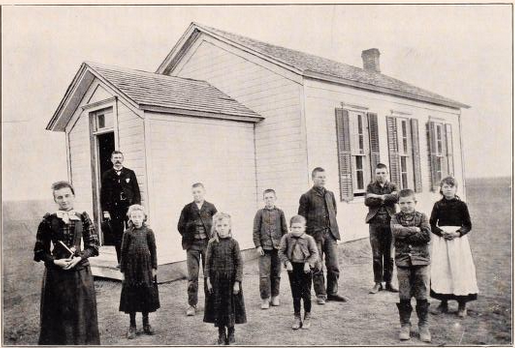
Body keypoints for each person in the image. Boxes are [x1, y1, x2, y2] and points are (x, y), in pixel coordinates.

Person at [33, 181, 100, 345]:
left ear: (74, 196)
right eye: (60, 197)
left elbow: (93, 246)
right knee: (58, 317)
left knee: (81, 315)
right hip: (56, 276)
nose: (64, 200)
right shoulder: (48, 220)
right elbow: (39, 251)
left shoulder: (83, 217)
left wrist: (80, 257)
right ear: (55, 199)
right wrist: (56, 262)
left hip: (80, 275)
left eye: (67, 196)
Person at [429, 176, 478, 317]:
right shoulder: (438, 205)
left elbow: (468, 225)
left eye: (451, 187)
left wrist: (458, 233)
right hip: (442, 242)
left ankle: (462, 305)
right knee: (443, 269)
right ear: (441, 189)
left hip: (458, 242)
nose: (448, 189)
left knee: (459, 269)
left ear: (456, 189)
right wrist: (441, 232)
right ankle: (443, 303)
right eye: (445, 187)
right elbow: (432, 224)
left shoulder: (461, 205)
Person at [298, 167, 347, 305]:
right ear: (313, 178)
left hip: (330, 234)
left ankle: (333, 292)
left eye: (324, 177)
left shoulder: (330, 194)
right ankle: (321, 294)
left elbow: (334, 212)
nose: (322, 179)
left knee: (333, 265)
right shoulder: (306, 196)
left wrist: (329, 229)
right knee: (317, 266)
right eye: (319, 177)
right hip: (314, 236)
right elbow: (301, 219)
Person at [390, 189, 432, 342]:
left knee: (421, 292)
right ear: (398, 204)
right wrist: (414, 230)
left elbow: (427, 235)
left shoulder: (422, 217)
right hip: (402, 261)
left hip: (420, 260)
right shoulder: (395, 217)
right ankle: (405, 325)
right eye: (402, 203)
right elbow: (395, 233)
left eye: (409, 203)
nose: (406, 206)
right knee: (404, 293)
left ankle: (423, 325)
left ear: (415, 203)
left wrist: (405, 232)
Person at [204, 212, 247, 345]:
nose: (222, 228)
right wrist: (208, 280)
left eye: (225, 225)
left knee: (230, 308)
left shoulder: (234, 243)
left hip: (230, 282)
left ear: (230, 227)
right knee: (219, 308)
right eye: (219, 225)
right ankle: (221, 334)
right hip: (216, 282)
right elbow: (207, 263)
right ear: (215, 227)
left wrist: (237, 282)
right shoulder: (212, 243)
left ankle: (231, 333)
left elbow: (239, 263)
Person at [119, 204, 160, 339]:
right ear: (130, 218)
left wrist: (154, 267)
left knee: (145, 294)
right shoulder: (127, 233)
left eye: (139, 216)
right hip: (131, 269)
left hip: (145, 268)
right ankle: (132, 325)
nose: (136, 219)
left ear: (144, 218)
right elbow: (123, 252)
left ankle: (146, 323)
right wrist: (123, 269)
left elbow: (153, 250)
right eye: (134, 217)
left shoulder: (149, 232)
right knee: (132, 295)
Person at [177, 183, 218, 316]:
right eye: (194, 192)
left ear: (204, 192)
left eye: (199, 192)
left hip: (207, 245)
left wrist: (212, 238)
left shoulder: (211, 207)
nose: (197, 195)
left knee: (209, 274)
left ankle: (210, 304)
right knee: (192, 276)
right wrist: (189, 236)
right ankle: (192, 304)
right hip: (192, 246)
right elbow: (180, 226)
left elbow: (217, 223)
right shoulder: (187, 208)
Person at [100, 150, 141, 265]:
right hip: (114, 209)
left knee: (133, 232)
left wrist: (136, 208)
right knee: (118, 236)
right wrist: (106, 211)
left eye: (119, 157)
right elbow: (104, 194)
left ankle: (134, 260)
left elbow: (136, 192)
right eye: (115, 158)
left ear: (122, 159)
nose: (117, 160)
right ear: (111, 160)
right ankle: (121, 261)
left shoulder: (130, 173)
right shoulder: (107, 175)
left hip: (129, 209)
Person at [279, 215, 319, 330]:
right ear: (290, 227)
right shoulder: (286, 238)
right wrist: (287, 262)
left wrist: (308, 263)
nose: (296, 230)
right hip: (293, 268)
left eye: (299, 227)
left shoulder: (309, 239)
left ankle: (307, 315)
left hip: (305, 268)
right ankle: (297, 316)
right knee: (295, 294)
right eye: (294, 227)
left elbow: (315, 253)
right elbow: (281, 252)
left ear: (304, 228)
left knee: (306, 294)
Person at [364, 163, 399, 294]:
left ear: (387, 173)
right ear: (375, 174)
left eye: (383, 173)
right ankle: (378, 283)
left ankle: (389, 282)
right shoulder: (370, 186)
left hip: (390, 224)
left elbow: (396, 197)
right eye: (378, 173)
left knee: (389, 255)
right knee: (377, 255)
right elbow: (368, 201)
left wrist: (378, 197)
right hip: (375, 224)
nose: (381, 175)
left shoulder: (393, 186)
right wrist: (385, 198)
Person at [253, 188, 288, 309]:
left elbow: (285, 231)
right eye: (266, 198)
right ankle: (264, 298)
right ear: (263, 199)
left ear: (275, 198)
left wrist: (283, 247)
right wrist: (258, 246)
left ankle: (275, 296)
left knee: (276, 274)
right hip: (264, 249)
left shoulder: (280, 213)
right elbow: (256, 231)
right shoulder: (259, 213)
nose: (269, 200)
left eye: (271, 197)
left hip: (277, 249)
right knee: (264, 275)